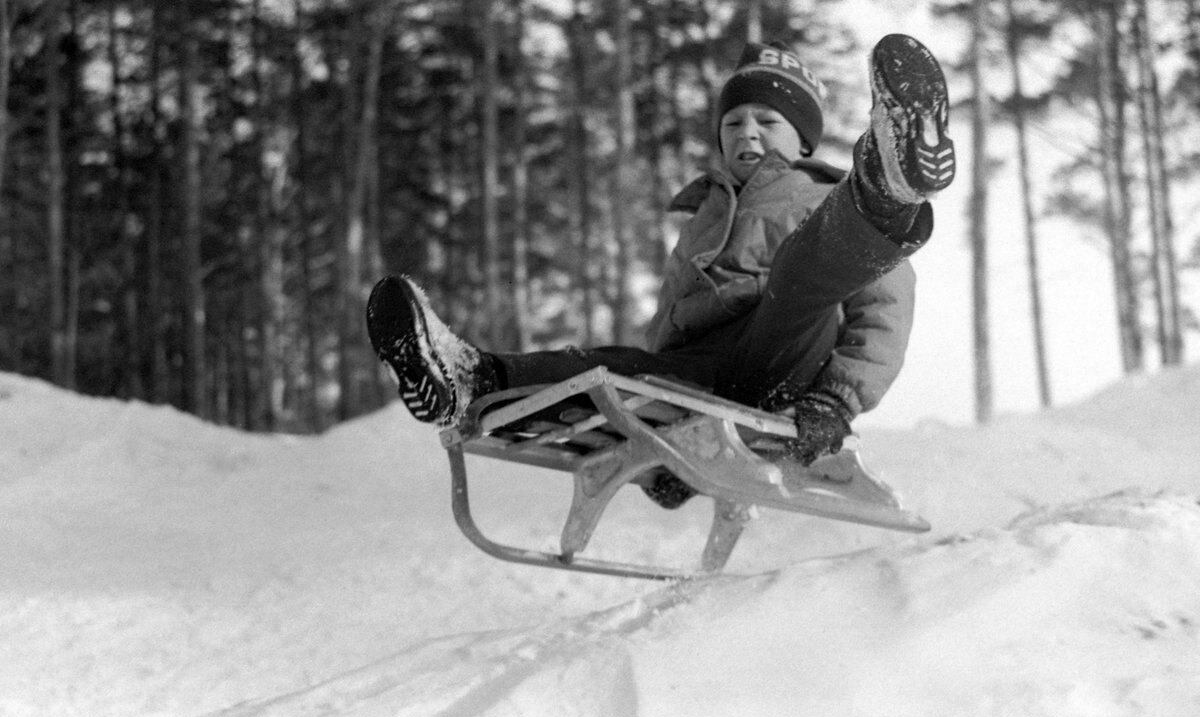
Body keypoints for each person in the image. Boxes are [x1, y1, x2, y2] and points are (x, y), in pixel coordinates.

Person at [366, 33, 955, 509]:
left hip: (787, 362)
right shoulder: (703, 214)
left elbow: (885, 311)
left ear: (803, 140)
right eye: (733, 122)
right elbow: (666, 328)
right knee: (607, 367)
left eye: (766, 121)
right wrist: (657, 453)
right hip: (703, 375)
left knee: (798, 281)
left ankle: (887, 188)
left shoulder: (817, 197)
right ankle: (467, 380)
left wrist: (837, 403)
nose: (746, 131)